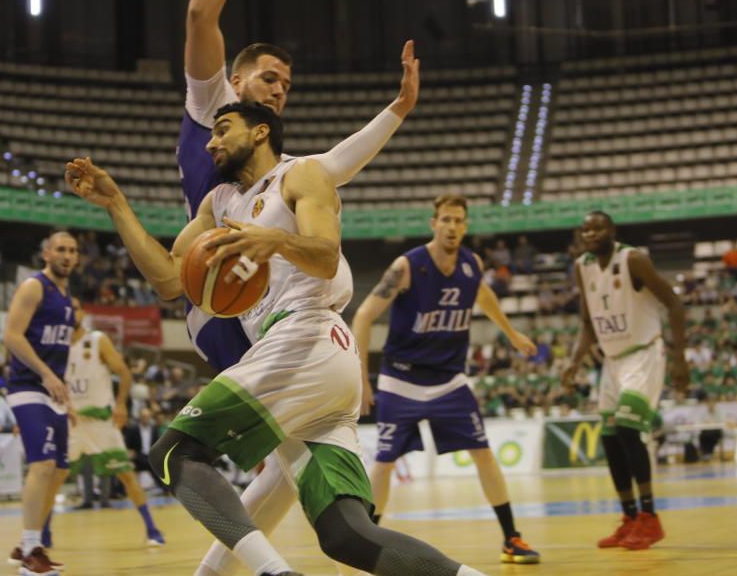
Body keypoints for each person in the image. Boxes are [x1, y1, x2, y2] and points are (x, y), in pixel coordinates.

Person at [66, 100, 486, 576]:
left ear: (261, 132)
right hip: (320, 362)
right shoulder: (221, 202)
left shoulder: (300, 176)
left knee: (174, 451)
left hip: (305, 332)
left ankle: (273, 572)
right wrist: (116, 204)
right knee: (346, 534)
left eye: (224, 129)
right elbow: (168, 279)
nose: (211, 141)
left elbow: (326, 257)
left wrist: (277, 241)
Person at [176, 0, 422, 572]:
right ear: (236, 84)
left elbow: (338, 161)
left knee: (287, 457)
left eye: (286, 85)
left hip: (262, 296)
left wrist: (397, 109)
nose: (279, 92)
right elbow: (202, 17)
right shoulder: (214, 111)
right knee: (273, 456)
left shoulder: (281, 171)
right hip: (221, 294)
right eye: (269, 80)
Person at [351, 194, 540, 564]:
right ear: (433, 223)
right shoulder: (407, 266)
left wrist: (511, 334)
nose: (453, 227)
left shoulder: (472, 264)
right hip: (401, 380)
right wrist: (362, 379)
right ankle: (367, 545)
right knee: (385, 462)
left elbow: (483, 296)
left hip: (449, 381)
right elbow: (363, 317)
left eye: (459, 221)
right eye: (446, 220)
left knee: (484, 454)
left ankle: (511, 538)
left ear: (465, 226)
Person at [561, 211, 689, 551]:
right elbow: (588, 323)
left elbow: (674, 304)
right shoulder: (582, 267)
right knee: (611, 439)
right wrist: (574, 363)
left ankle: (650, 518)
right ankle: (630, 517)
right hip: (612, 362)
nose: (591, 233)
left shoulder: (633, 259)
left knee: (630, 430)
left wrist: (681, 359)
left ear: (612, 231)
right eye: (585, 228)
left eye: (597, 227)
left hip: (644, 353)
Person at [44, 298, 164, 546]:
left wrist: (120, 404)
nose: (71, 312)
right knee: (54, 477)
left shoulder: (97, 340)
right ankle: (43, 533)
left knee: (126, 475)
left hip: (100, 419)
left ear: (82, 313)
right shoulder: (57, 347)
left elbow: (124, 373)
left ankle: (152, 529)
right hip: (72, 421)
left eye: (75, 308)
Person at [3, 232, 78, 576]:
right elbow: (12, 335)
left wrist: (66, 394)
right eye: (61, 249)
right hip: (27, 385)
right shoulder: (34, 286)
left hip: (53, 390)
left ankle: (25, 545)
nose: (67, 255)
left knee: (60, 471)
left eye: (72, 251)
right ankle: (33, 549)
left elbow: (61, 350)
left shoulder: (68, 300)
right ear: (47, 253)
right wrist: (47, 374)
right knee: (43, 464)